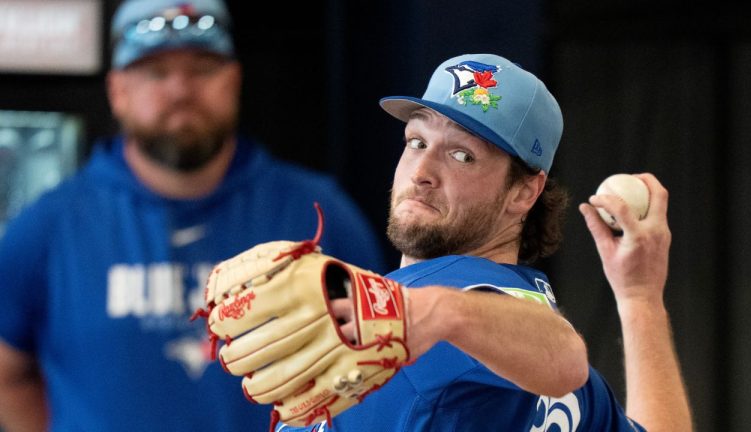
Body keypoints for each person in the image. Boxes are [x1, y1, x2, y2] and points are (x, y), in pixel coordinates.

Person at [0, 0, 385, 431]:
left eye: (202, 68)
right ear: (117, 92)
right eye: (156, 72)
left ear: (235, 80)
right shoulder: (46, 227)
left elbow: (380, 359)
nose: (180, 90)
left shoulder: (319, 213)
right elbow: (6, 374)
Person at [270, 53, 693, 431]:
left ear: (524, 192)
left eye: (462, 155)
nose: (421, 171)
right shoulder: (576, 391)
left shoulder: (447, 305)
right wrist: (641, 300)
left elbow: (562, 355)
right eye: (417, 142)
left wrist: (435, 309)